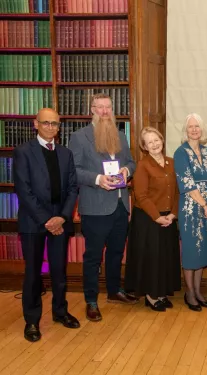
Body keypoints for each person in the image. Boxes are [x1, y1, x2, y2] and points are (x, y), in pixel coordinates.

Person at [69, 93, 137, 322]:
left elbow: (130, 161)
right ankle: (91, 300)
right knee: (93, 257)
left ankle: (114, 290)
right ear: (92, 110)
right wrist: (98, 178)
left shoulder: (120, 136)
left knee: (117, 253)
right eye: (100, 108)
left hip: (120, 205)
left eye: (108, 107)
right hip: (96, 207)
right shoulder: (79, 137)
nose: (105, 112)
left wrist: (127, 171)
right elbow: (74, 170)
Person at [13, 108, 80, 342]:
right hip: (34, 221)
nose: (51, 127)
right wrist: (46, 220)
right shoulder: (23, 151)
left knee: (59, 272)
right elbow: (23, 190)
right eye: (46, 123)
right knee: (33, 273)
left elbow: (73, 188)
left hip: (60, 221)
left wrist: (61, 217)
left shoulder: (65, 153)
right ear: (36, 124)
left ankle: (60, 312)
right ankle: (31, 320)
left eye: (55, 124)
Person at [124, 127, 181, 311]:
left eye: (156, 140)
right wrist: (157, 217)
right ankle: (151, 296)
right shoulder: (142, 165)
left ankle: (162, 293)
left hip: (169, 218)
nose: (154, 144)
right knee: (151, 259)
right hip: (149, 219)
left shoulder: (172, 162)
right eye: (150, 142)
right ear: (145, 147)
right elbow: (141, 195)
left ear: (162, 141)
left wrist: (173, 214)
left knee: (165, 257)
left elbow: (178, 192)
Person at [174, 114, 207, 312]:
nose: (194, 130)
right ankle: (189, 292)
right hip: (190, 208)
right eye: (190, 126)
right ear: (186, 130)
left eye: (197, 126)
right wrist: (204, 205)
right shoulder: (180, 153)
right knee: (192, 250)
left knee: (203, 250)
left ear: (202, 129)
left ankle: (199, 291)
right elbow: (187, 184)